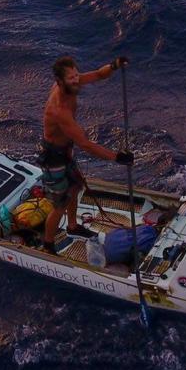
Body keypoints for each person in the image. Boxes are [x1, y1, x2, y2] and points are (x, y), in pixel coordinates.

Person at [39, 55, 133, 254]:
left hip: (65, 151)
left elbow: (99, 74)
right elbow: (85, 144)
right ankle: (47, 245)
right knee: (60, 205)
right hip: (53, 158)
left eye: (76, 75)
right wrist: (116, 157)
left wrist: (114, 65)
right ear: (59, 81)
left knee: (75, 187)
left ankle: (72, 227)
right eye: (71, 78)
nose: (76, 80)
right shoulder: (59, 110)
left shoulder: (72, 83)